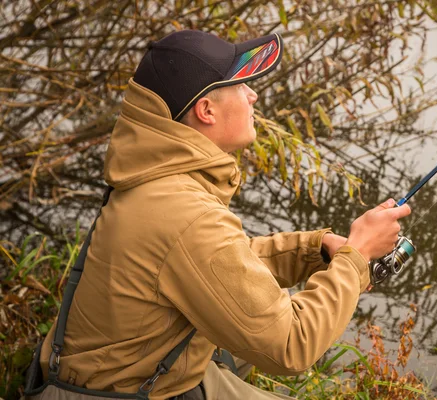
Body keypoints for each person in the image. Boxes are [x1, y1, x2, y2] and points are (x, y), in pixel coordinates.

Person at [33, 29, 411, 399]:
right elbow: (292, 344)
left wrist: (314, 250)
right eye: (240, 85)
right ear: (206, 110)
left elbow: (213, 262)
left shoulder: (155, 177)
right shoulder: (185, 214)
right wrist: (356, 256)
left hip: (119, 374)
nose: (253, 94)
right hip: (134, 392)